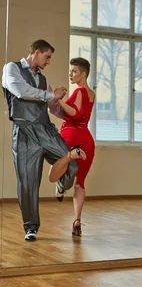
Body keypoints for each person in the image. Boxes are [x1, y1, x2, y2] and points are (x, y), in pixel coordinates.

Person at [2, 40, 83, 241]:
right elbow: (20, 90)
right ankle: (31, 227)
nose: (48, 62)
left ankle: (61, 184)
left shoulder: (43, 79)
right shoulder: (11, 69)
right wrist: (49, 95)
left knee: (71, 164)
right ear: (36, 53)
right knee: (28, 182)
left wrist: (72, 114)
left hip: (45, 129)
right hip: (24, 132)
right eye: (47, 57)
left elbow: (53, 106)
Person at [48, 58, 95, 236]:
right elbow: (81, 115)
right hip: (87, 139)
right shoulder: (91, 93)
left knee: (56, 169)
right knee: (80, 183)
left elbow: (75, 113)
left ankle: (60, 185)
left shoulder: (80, 91)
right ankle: (77, 220)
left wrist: (58, 100)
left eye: (74, 71)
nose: (71, 74)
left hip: (71, 136)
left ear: (83, 74)